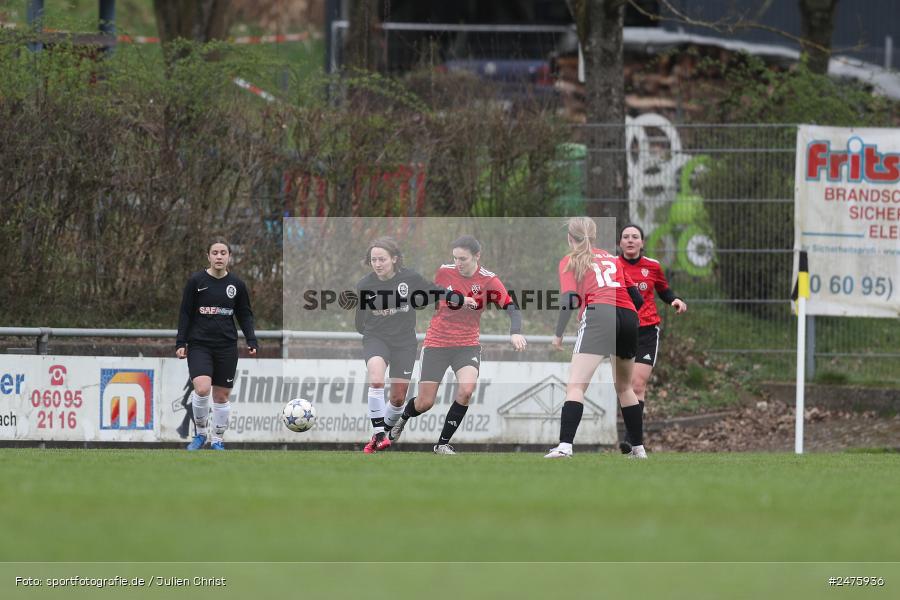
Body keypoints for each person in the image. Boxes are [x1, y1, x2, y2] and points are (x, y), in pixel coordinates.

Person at [390, 235, 527, 455]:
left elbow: (512, 307)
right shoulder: (444, 272)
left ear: (477, 256)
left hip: (467, 345)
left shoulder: (489, 280)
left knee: (466, 390)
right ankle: (403, 418)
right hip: (437, 343)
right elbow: (430, 294)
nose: (458, 263)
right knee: (425, 403)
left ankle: (442, 444)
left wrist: (515, 333)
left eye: (463, 258)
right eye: (455, 258)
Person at [545, 217, 647, 459]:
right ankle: (639, 449)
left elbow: (569, 300)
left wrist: (558, 334)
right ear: (595, 236)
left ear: (570, 238)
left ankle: (565, 446)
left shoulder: (570, 260)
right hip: (628, 316)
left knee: (576, 385)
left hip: (599, 314)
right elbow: (638, 299)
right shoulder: (613, 259)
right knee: (624, 387)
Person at [354, 237, 449, 454]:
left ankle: (380, 436)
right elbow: (359, 321)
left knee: (398, 398)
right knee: (376, 380)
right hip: (376, 338)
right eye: (374, 260)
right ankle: (379, 434)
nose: (378, 264)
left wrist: (460, 299)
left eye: (382, 259)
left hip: (404, 342)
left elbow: (434, 290)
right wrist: (371, 334)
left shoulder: (410, 278)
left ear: (394, 259)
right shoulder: (364, 285)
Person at [176, 240, 258, 451]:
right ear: (208, 256)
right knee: (202, 388)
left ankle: (217, 439)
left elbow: (245, 314)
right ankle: (200, 435)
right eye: (215, 253)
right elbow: (185, 313)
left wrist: (251, 339)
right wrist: (181, 342)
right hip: (200, 344)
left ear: (229, 256)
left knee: (221, 396)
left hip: (226, 346)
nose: (219, 256)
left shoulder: (236, 285)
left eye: (223, 253)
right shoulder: (196, 281)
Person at [617, 224, 687, 453]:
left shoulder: (653, 267)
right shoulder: (612, 266)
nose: (630, 240)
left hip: (647, 330)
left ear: (642, 242)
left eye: (634, 237)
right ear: (620, 242)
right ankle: (635, 440)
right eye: (625, 237)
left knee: (638, 384)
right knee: (624, 385)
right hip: (621, 330)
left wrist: (674, 300)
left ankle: (631, 438)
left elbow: (664, 291)